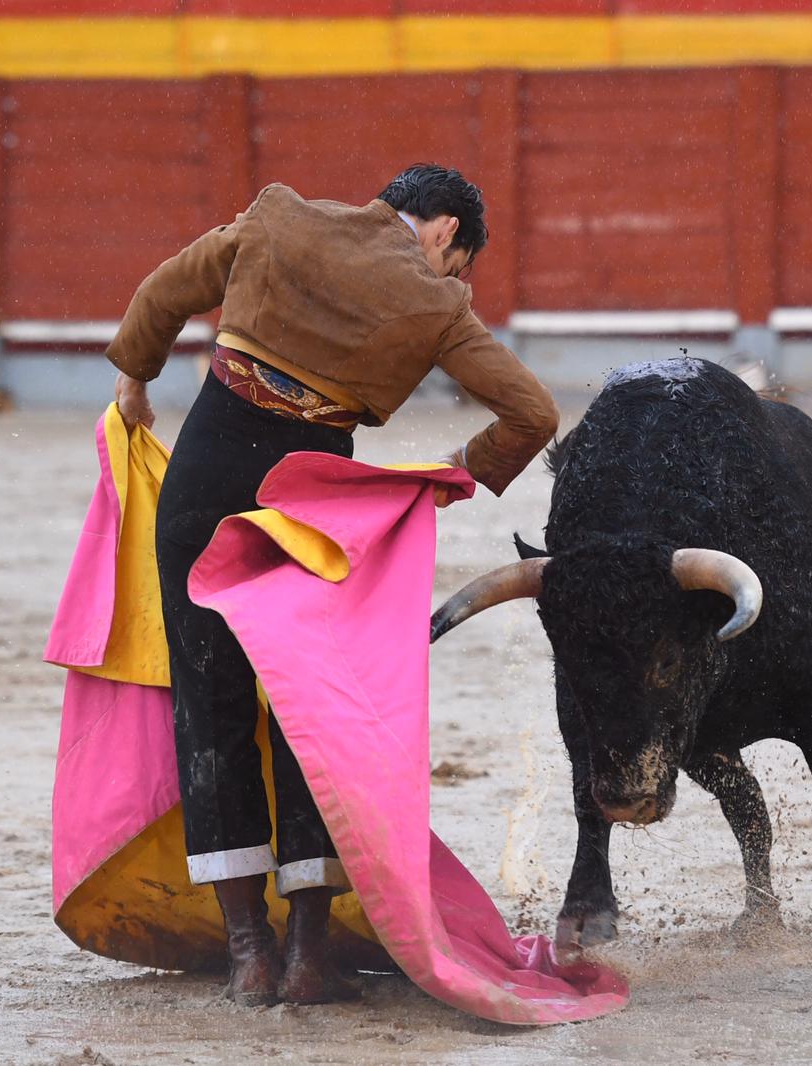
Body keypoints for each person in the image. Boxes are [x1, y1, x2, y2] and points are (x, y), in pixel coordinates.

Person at [104, 165, 558, 1006]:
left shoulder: (277, 219)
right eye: (457, 264)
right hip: (308, 507)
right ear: (447, 231)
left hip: (201, 486)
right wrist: (455, 471)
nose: (451, 279)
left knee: (212, 706)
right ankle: (309, 955)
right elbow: (533, 414)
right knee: (308, 715)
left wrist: (134, 376)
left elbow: (165, 291)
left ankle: (248, 956)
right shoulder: (434, 302)